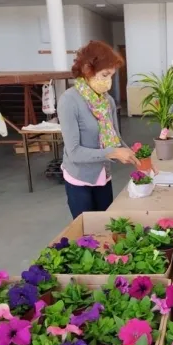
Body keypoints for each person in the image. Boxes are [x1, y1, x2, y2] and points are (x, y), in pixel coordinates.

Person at [58, 40, 140, 219]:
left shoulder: (106, 100)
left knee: (105, 225)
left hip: (103, 176)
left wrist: (139, 159)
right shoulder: (69, 101)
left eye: (111, 75)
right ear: (87, 69)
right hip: (80, 179)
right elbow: (74, 152)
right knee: (87, 230)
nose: (108, 81)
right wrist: (113, 153)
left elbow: (115, 138)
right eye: (104, 75)